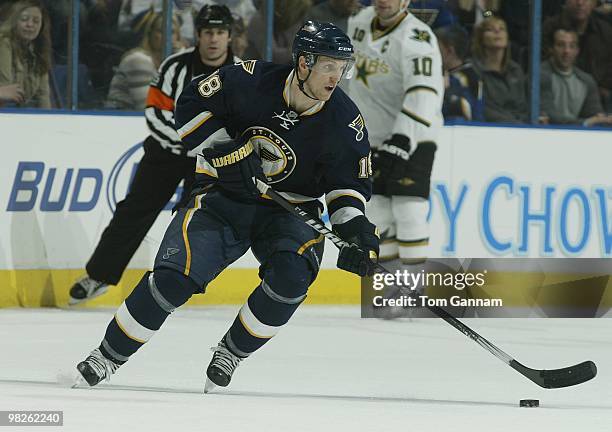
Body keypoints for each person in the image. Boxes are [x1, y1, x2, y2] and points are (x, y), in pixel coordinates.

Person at [74, 20, 379, 392]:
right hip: (223, 197)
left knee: (291, 279)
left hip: (289, 210)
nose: (336, 77)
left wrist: (355, 233)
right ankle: (107, 356)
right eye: (329, 65)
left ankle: (231, 353)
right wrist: (223, 151)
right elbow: (190, 103)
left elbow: (346, 188)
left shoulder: (347, 123)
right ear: (304, 63)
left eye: (342, 67)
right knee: (173, 278)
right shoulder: (251, 79)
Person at [68, 5, 240, 305]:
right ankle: (100, 275)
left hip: (211, 162)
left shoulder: (242, 72)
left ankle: (179, 282)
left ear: (229, 36)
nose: (214, 39)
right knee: (134, 210)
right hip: (166, 153)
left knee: (195, 219)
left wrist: (213, 150)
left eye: (220, 32)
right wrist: (190, 143)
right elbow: (155, 112)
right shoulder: (175, 66)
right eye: (208, 32)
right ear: (198, 35)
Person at [347, 0, 443, 269]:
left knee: (409, 209)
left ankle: (413, 288)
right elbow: (346, 76)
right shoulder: (359, 22)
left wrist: (401, 140)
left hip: (416, 134)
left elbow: (423, 93)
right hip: (371, 135)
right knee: (376, 210)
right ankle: (389, 287)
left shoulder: (418, 38)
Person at [543, 0, 612, 112]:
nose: (580, 2)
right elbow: (544, 68)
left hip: (599, 99)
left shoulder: (607, 32)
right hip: (559, 96)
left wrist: (604, 87)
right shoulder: (549, 28)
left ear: (594, 3)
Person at [106, 11, 183, 110]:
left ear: (178, 37)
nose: (167, 36)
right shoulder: (138, 60)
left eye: (172, 32)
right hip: (120, 121)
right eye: (161, 31)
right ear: (150, 34)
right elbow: (149, 108)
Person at [540, 25, 612, 127]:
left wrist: (604, 120)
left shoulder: (587, 81)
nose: (567, 51)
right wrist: (586, 122)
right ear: (550, 49)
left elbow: (595, 116)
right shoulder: (539, 76)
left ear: (577, 50)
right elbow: (550, 117)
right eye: (561, 45)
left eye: (572, 46)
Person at [471, 15, 528, 123]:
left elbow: (523, 106)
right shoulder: (474, 70)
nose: (497, 32)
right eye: (490, 29)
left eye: (501, 29)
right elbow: (485, 108)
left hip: (520, 129)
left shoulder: (516, 70)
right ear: (481, 38)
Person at [0, 0, 51, 108]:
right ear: (14, 21)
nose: (30, 24)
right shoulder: (3, 43)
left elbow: (43, 96)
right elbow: (6, 90)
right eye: (24, 19)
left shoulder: (40, 50)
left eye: (36, 21)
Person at [435, 24, 484, 121]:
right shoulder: (451, 74)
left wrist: (444, 91)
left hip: (464, 131)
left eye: (436, 48)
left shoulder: (464, 78)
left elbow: (465, 110)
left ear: (449, 51)